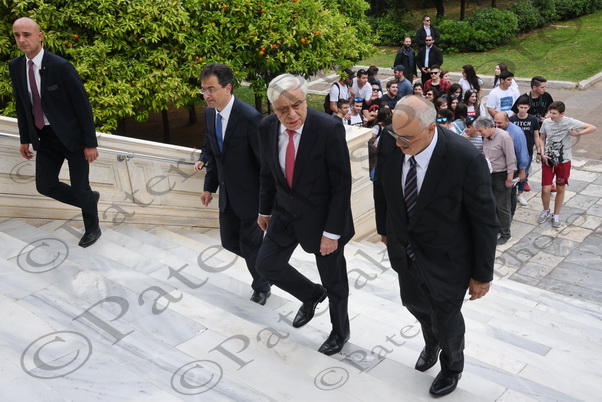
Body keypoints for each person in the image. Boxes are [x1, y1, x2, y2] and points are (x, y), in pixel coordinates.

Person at [373, 95, 498, 397]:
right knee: (414, 304)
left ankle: (452, 367)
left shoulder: (465, 159)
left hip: (448, 261)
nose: (398, 144)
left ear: (431, 129)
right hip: (404, 252)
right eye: (395, 135)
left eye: (407, 139)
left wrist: (482, 275)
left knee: (447, 319)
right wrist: (384, 230)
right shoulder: (392, 140)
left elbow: (484, 221)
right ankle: (432, 342)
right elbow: (381, 187)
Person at [256, 74, 354, 355]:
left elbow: (341, 185)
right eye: (282, 109)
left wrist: (332, 233)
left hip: (323, 221)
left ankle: (340, 332)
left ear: (306, 99)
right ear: (273, 108)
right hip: (284, 214)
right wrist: (264, 210)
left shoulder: (329, 128)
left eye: (296, 105)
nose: (291, 115)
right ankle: (311, 295)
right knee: (266, 265)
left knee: (335, 283)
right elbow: (267, 172)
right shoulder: (265, 127)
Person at [9, 17, 101, 248]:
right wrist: (25, 138)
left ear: (39, 36)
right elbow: (22, 105)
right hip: (45, 137)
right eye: (17, 35)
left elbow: (82, 105)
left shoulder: (61, 66)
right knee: (45, 185)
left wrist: (90, 143)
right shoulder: (16, 66)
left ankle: (93, 228)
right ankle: (90, 200)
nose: (21, 39)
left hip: (73, 137)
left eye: (26, 34)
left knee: (80, 187)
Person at [198, 63, 271, 305]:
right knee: (228, 242)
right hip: (227, 194)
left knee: (250, 245)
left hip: (251, 198)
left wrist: (266, 205)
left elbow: (265, 165)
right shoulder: (210, 114)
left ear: (228, 88)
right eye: (203, 90)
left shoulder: (251, 118)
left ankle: (262, 286)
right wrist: (209, 187)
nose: (207, 95)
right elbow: (213, 151)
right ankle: (269, 264)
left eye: (211, 89)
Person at [536, 101, 597, 228]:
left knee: (560, 188)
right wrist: (541, 153)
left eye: (554, 113)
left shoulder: (569, 121)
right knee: (545, 189)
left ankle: (556, 214)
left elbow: (592, 127)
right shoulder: (546, 122)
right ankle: (546, 210)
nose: (551, 116)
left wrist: (577, 134)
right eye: (550, 113)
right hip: (548, 160)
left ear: (562, 113)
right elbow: (541, 138)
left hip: (564, 161)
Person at [475, 117, 517, 245]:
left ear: (488, 127)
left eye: (481, 131)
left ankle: (506, 234)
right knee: (492, 204)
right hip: (489, 174)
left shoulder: (504, 137)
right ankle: (497, 227)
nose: (479, 134)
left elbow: (511, 159)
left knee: (502, 206)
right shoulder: (486, 137)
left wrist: (509, 179)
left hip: (502, 175)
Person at [493, 112, 529, 219]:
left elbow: (522, 153)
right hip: (501, 168)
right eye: (495, 122)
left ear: (507, 121)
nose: (497, 125)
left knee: (511, 193)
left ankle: (510, 216)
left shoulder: (517, 133)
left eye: (499, 123)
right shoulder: (497, 130)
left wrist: (522, 171)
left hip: (513, 167)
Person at [510, 97, 540, 204]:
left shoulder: (533, 120)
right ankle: (512, 193)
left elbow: (536, 136)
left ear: (528, 108)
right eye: (521, 107)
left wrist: (539, 152)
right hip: (513, 151)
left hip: (527, 151)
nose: (523, 110)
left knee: (524, 173)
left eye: (525, 108)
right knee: (513, 173)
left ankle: (520, 193)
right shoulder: (512, 120)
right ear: (517, 107)